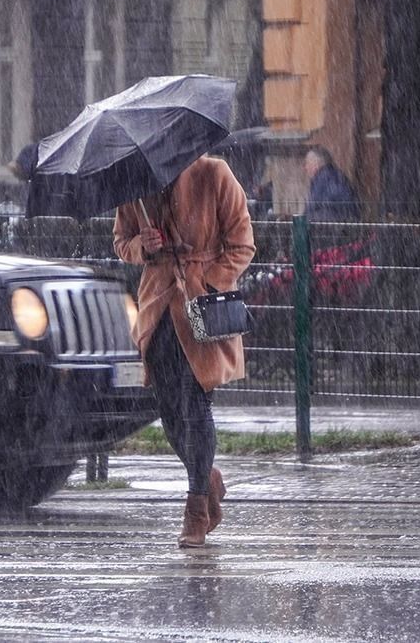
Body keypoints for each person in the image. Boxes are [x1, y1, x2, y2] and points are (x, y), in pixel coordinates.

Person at [113, 156, 256, 549]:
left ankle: (196, 506)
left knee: (195, 404)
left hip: (201, 310)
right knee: (169, 410)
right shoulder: (135, 185)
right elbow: (121, 242)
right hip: (157, 308)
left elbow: (242, 243)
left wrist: (208, 281)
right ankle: (207, 477)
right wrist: (143, 245)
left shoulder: (214, 173)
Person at [303, 145, 359, 222]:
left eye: (307, 163)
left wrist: (302, 221)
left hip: (334, 226)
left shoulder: (323, 178)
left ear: (316, 164)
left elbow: (312, 207)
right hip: (344, 223)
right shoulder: (332, 176)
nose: (305, 168)